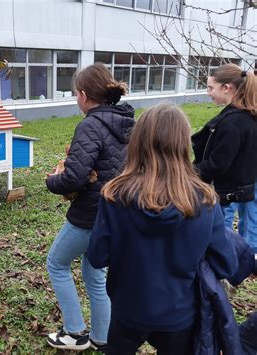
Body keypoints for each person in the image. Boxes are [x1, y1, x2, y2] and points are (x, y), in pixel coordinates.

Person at [87, 104, 238, 354]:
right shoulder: (205, 199)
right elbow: (226, 265)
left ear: (138, 142)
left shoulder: (114, 195)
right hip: (179, 313)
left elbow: (97, 256)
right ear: (183, 145)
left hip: (127, 308)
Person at [45, 63, 135, 351]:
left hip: (89, 215)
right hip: (117, 213)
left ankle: (74, 332)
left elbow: (75, 176)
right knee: (95, 274)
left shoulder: (90, 125)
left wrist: (52, 180)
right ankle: (101, 336)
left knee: (56, 264)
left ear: (83, 95)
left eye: (75, 94)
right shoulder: (129, 123)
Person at [192, 63, 257, 252]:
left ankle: (227, 266)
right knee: (250, 225)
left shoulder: (233, 123)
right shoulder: (249, 114)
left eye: (211, 87)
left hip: (228, 191)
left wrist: (190, 171)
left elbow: (218, 163)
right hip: (246, 183)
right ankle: (248, 259)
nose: (208, 92)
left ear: (227, 88)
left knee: (223, 236)